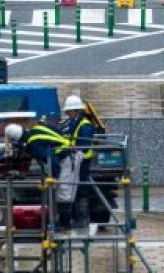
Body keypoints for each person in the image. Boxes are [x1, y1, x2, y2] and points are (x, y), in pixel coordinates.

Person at [61, 94, 95, 229]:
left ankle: (82, 219)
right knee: (75, 188)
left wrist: (74, 148)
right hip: (77, 160)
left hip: (83, 161)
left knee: (81, 189)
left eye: (69, 112)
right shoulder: (75, 122)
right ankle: (78, 219)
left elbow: (84, 145)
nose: (68, 114)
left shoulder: (85, 125)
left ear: (76, 111)